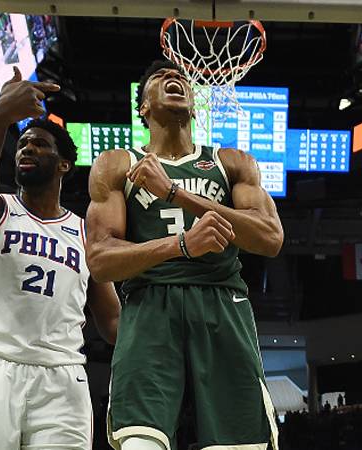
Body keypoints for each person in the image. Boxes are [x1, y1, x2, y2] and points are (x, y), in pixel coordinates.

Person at [86, 60, 284, 450]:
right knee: (140, 443)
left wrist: (175, 194)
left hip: (222, 302)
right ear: (142, 107)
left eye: (181, 78)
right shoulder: (117, 164)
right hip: (149, 305)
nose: (174, 78)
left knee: (238, 443)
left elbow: (269, 237)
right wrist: (181, 246)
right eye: (160, 77)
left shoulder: (232, 162)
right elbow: (100, 258)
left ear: (194, 107)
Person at [0, 66, 120, 450]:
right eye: (23, 143)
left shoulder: (85, 232)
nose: (27, 148)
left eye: (40, 144)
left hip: (64, 376)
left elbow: (111, 321)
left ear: (64, 165)